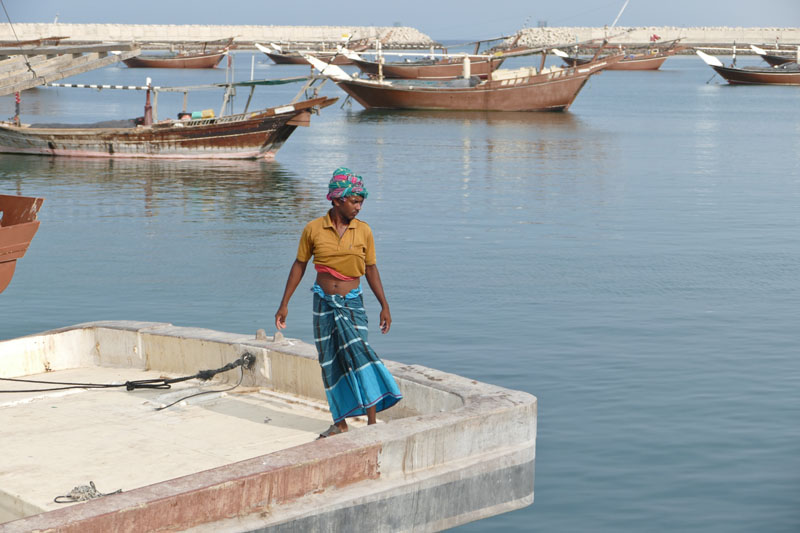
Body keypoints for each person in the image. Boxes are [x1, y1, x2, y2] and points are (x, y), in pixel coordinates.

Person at [275, 167, 402, 439]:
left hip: (352, 303)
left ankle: (371, 422)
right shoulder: (313, 229)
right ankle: (340, 423)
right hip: (323, 303)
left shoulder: (364, 231)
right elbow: (299, 265)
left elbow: (371, 269)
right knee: (330, 360)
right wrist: (284, 303)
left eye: (361, 202)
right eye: (354, 201)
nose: (359, 207)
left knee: (360, 356)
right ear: (336, 201)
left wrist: (384, 305)